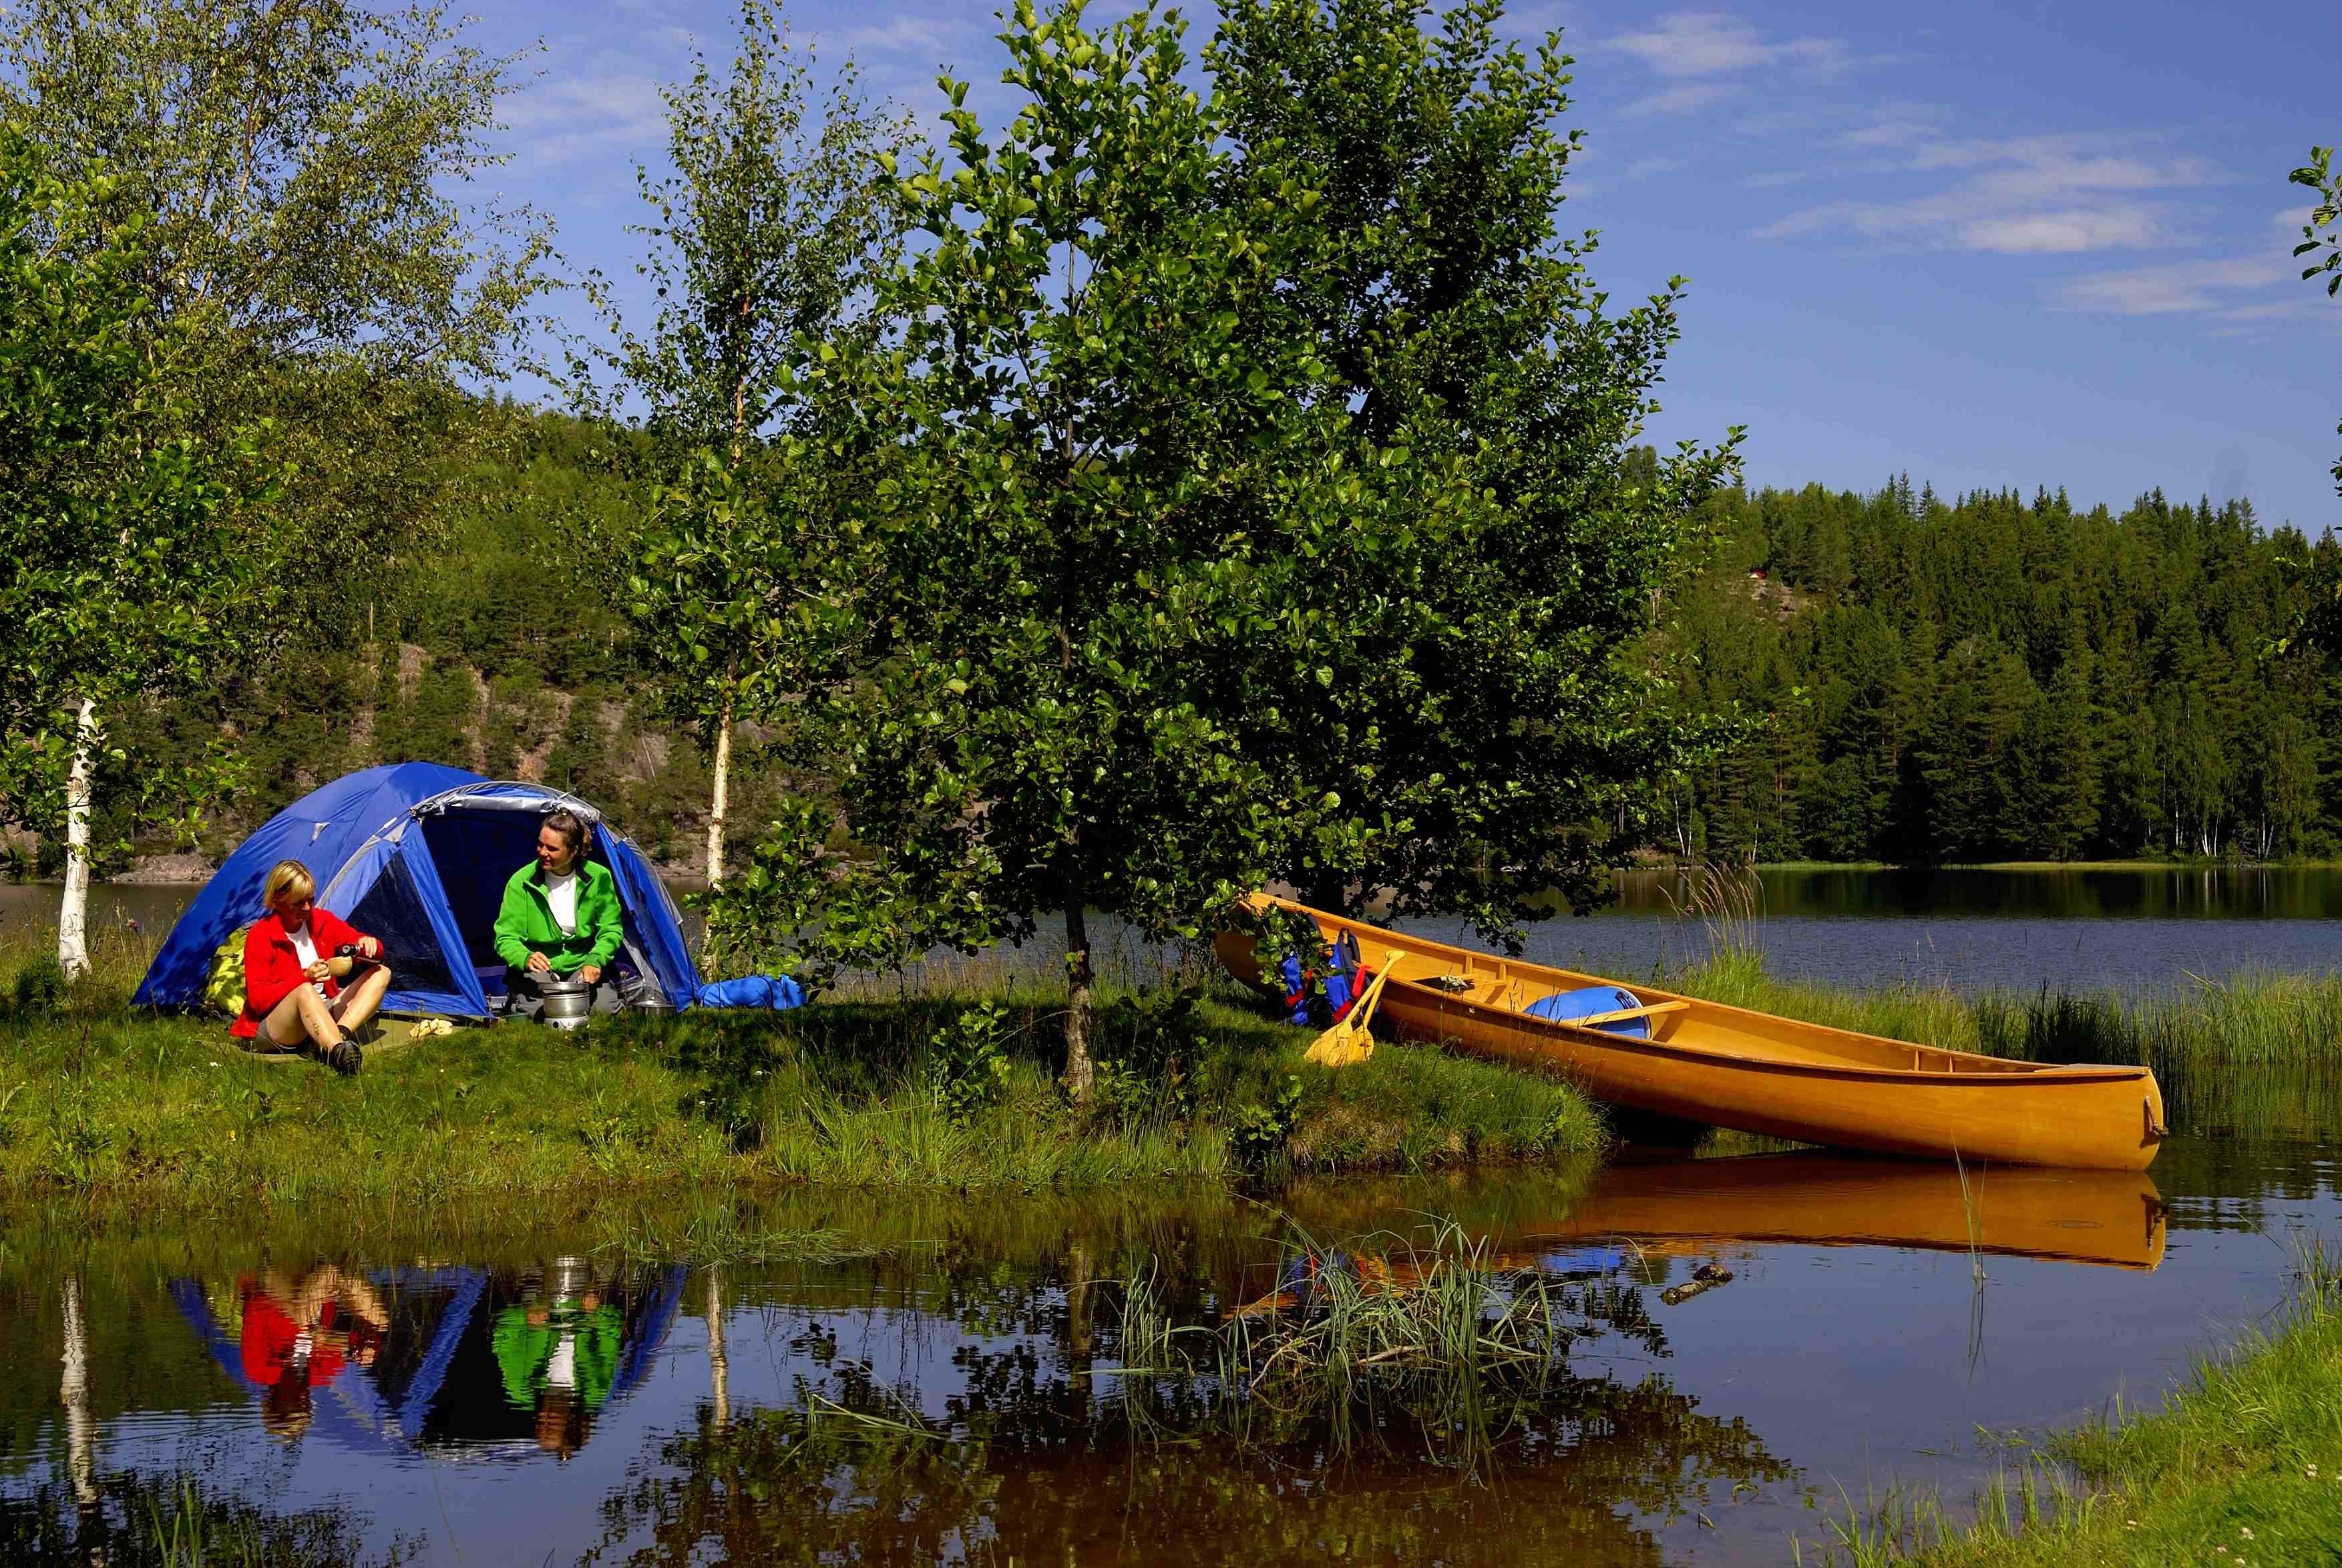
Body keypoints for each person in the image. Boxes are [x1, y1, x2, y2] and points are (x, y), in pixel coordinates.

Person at [234, 860, 388, 1072]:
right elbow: (258, 1001)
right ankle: (339, 1055)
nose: (307, 908)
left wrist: (367, 945)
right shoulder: (261, 935)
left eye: (310, 900)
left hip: (321, 1011)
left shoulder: (322, 921)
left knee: (381, 973)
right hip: (275, 1024)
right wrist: (306, 977)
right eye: (298, 903)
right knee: (304, 991)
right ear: (277, 900)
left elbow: (372, 951)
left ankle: (339, 1036)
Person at [492, 809, 630, 1019]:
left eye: (552, 848)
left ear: (573, 850)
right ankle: (518, 996)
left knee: (605, 1011)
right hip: (540, 969)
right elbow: (506, 937)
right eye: (540, 844)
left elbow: (611, 929)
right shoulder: (521, 881)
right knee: (536, 1015)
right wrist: (525, 957)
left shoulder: (599, 877)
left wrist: (595, 959)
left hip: (582, 965)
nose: (542, 852)